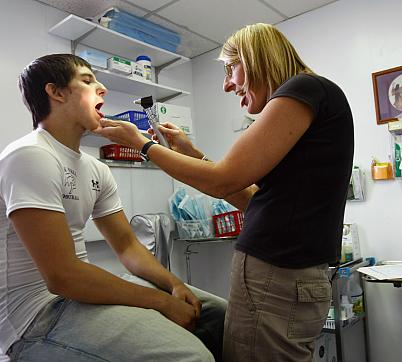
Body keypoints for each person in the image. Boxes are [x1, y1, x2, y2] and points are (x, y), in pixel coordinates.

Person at [94, 23, 354, 361]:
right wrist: (189, 153)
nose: (227, 84)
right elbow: (250, 199)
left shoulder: (303, 89)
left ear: (256, 57)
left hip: (277, 277)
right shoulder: (310, 102)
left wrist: (141, 145)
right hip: (288, 278)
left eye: (231, 68)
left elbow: (221, 180)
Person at [0, 54, 226, 362]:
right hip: (36, 313)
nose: (102, 88)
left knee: (219, 318)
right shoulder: (30, 156)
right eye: (88, 80)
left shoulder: (96, 169)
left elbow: (127, 244)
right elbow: (62, 276)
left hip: (77, 294)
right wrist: (160, 303)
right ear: (57, 92)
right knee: (192, 357)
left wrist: (173, 285)